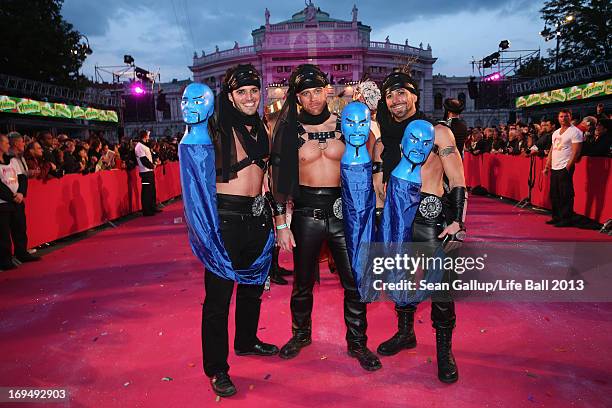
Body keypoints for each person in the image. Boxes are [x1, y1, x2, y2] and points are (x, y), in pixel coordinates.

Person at [271, 64, 381, 371]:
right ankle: (300, 334)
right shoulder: (288, 129)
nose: (312, 99)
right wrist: (281, 224)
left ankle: (358, 343)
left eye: (317, 91)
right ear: (298, 97)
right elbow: (277, 178)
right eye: (305, 94)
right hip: (306, 213)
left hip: (343, 211)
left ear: (326, 91)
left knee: (353, 280)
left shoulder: (345, 123)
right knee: (302, 282)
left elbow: (373, 154)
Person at [180, 65, 278, 398]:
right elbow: (194, 170)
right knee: (219, 298)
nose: (250, 97)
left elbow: (264, 172)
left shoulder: (260, 125)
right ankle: (217, 369)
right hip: (225, 220)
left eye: (254, 91)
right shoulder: (214, 125)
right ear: (230, 95)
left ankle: (247, 340)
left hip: (256, 216)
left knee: (252, 286)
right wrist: (203, 226)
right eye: (242, 92)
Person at [376, 69, 467, 383]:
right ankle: (405, 334)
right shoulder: (385, 137)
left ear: (414, 95)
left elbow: (456, 178)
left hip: (430, 217)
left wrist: (458, 221)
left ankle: (444, 350)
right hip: (396, 218)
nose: (396, 100)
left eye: (402, 92)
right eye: (390, 95)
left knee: (441, 287)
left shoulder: (438, 132)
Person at [543, 109, 583, 227]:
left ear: (570, 117)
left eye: (566, 116)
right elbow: (552, 149)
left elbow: (576, 152)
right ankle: (556, 217)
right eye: (561, 116)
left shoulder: (575, 132)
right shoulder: (555, 133)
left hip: (565, 167)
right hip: (554, 167)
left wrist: (568, 167)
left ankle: (566, 218)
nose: (563, 118)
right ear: (558, 118)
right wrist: (547, 166)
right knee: (554, 193)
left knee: (566, 194)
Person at [7, 132, 40, 263]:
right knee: (6, 231)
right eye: (22, 142)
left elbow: (22, 177)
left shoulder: (17, 158)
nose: (24, 144)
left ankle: (22, 252)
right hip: (7, 198)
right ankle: (7, 258)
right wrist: (13, 195)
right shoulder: (8, 158)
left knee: (20, 227)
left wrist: (21, 193)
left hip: (18, 198)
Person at [134, 130, 159, 216]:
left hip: (149, 171)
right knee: (146, 190)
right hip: (145, 172)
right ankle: (146, 210)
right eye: (148, 135)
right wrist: (152, 166)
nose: (149, 136)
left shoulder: (144, 145)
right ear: (145, 136)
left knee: (152, 189)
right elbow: (143, 160)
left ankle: (152, 207)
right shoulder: (139, 146)